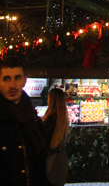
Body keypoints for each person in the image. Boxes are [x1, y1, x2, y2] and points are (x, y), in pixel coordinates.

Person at [0, 55, 48, 186]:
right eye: (6, 79)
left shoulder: (32, 118)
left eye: (17, 78)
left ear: (24, 81)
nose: (12, 85)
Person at [42, 88, 70, 186]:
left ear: (51, 100)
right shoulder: (63, 119)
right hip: (60, 162)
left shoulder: (50, 119)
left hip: (49, 162)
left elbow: (43, 141)